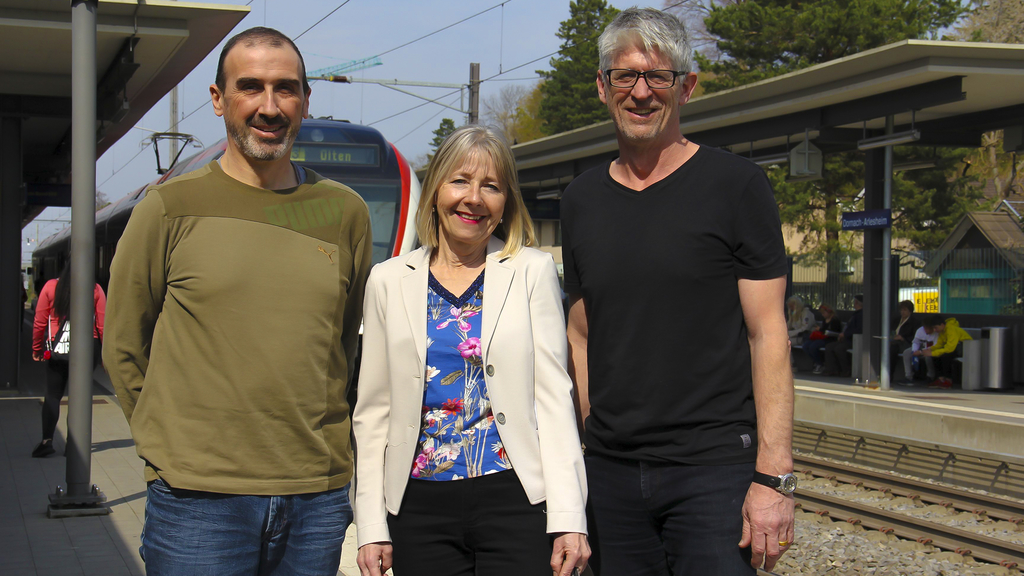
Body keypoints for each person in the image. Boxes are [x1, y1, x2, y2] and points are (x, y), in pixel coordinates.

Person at [103, 27, 371, 575]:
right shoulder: (167, 209)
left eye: (286, 89)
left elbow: (343, 340)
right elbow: (124, 344)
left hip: (315, 499)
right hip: (197, 501)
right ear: (219, 99)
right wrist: (168, 449)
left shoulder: (344, 212)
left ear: (305, 101)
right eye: (250, 87)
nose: (269, 107)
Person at [560, 8, 794, 575]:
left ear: (686, 87)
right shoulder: (580, 200)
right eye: (624, 76)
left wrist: (773, 477)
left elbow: (768, 334)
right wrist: (592, 446)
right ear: (602, 87)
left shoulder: (737, 188)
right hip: (612, 476)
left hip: (712, 471)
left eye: (657, 77)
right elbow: (582, 331)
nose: (640, 93)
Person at [353, 125, 589, 576]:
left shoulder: (532, 272)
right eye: (460, 181)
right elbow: (373, 414)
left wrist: (569, 517)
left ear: (506, 203)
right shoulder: (387, 279)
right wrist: (370, 524)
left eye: (491, 186)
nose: (474, 198)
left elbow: (554, 399)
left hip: (517, 500)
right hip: (418, 505)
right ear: (436, 189)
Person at [31, 262, 105, 457]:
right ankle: (75, 444)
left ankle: (47, 441)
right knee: (79, 396)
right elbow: (103, 324)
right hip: (88, 348)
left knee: (53, 395)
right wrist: (105, 354)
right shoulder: (95, 289)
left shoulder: (50, 287)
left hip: (57, 349)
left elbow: (39, 322)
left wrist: (37, 348)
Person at [915, 315, 973, 389]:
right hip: (954, 348)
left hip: (965, 348)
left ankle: (948, 380)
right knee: (936, 356)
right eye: (933, 328)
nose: (935, 330)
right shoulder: (942, 331)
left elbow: (949, 349)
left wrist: (932, 353)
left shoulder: (951, 329)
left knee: (946, 356)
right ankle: (940, 379)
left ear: (942, 325)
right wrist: (929, 350)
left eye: (935, 327)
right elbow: (939, 344)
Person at [822, 295, 863, 377]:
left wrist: (845, 334)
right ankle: (832, 370)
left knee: (839, 349)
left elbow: (859, 329)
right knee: (829, 346)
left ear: (856, 303)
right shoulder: (855, 314)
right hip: (846, 338)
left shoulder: (861, 315)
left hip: (854, 340)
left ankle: (846, 369)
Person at [802, 304, 842, 374]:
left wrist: (820, 329)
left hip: (830, 339)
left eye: (823, 313)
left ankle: (820, 363)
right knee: (806, 345)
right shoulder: (824, 320)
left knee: (813, 346)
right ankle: (817, 361)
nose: (823, 315)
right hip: (822, 337)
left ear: (829, 312)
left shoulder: (835, 320)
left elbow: (832, 332)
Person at [897, 320, 939, 385]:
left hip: (930, 350)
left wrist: (921, 352)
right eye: (925, 328)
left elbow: (935, 346)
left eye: (929, 329)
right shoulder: (920, 330)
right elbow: (915, 342)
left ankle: (930, 377)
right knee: (906, 352)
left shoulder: (936, 333)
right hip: (920, 348)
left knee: (928, 355)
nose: (927, 331)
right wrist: (914, 351)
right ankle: (908, 377)